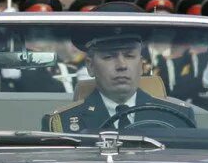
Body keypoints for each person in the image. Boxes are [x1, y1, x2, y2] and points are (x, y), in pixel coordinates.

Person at [44, 12, 193, 133]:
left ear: (141, 64)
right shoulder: (62, 124)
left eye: (129, 56)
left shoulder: (178, 117)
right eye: (108, 57)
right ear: (90, 66)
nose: (122, 65)